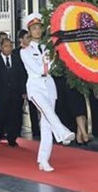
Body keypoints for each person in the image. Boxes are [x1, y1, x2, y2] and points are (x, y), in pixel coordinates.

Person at [21, 13, 75, 172]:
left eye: (39, 28)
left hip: (49, 86)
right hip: (36, 87)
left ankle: (43, 159)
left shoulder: (48, 48)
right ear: (29, 31)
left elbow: (56, 66)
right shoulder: (25, 51)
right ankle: (62, 132)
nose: (37, 31)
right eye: (34, 28)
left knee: (45, 124)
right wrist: (49, 63)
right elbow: (37, 69)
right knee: (48, 112)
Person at [0, 38, 27, 147]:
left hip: (15, 94)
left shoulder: (17, 60)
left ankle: (12, 138)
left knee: (14, 116)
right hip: (0, 94)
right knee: (0, 116)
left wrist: (23, 91)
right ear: (1, 47)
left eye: (10, 46)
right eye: (6, 46)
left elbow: (22, 77)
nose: (8, 48)